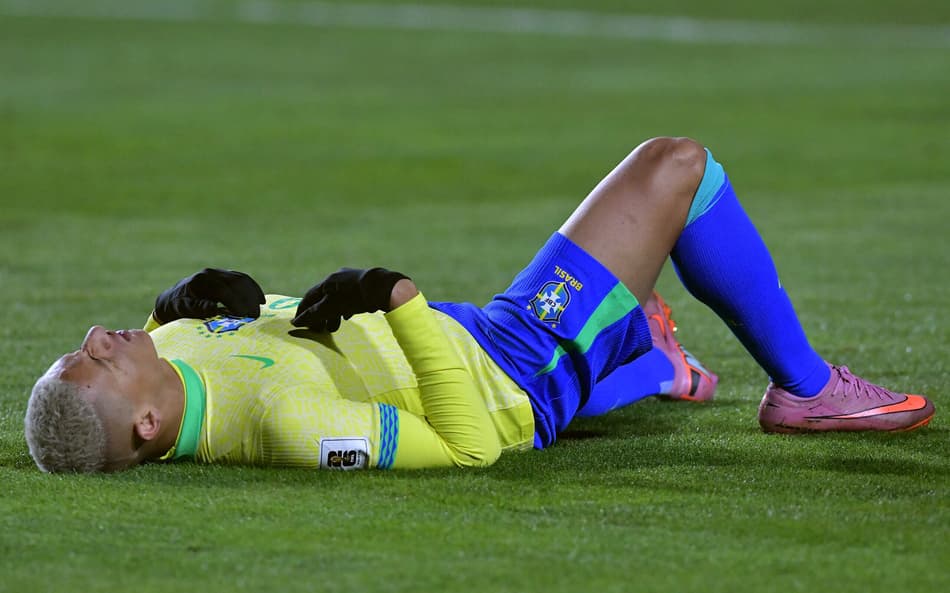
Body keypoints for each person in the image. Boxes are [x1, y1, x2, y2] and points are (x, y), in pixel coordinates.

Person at [24, 137, 935, 473]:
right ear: (146, 425)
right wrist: (400, 300)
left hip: (478, 329)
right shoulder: (288, 426)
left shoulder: (167, 354)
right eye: (99, 357)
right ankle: (804, 389)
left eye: (89, 340)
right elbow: (469, 448)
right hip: (510, 371)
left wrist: (168, 308)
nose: (102, 334)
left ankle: (646, 351)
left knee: (632, 274)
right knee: (677, 170)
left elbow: (187, 349)